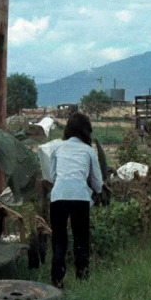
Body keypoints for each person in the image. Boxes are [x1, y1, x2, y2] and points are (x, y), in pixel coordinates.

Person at [49, 113, 103, 288]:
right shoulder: (89, 151)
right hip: (80, 198)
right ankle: (82, 279)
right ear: (86, 132)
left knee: (59, 239)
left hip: (58, 197)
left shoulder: (57, 148)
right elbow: (98, 184)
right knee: (81, 239)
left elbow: (53, 176)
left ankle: (57, 281)